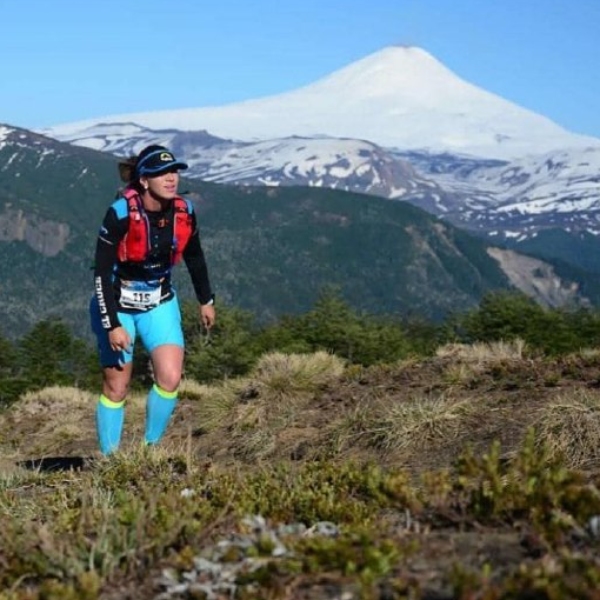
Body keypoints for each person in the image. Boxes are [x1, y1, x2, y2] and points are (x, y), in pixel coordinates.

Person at [89, 144, 215, 455]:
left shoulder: (185, 212)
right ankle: (111, 459)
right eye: (161, 173)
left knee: (170, 378)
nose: (171, 178)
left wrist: (206, 299)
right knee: (117, 386)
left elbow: (195, 257)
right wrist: (112, 323)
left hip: (159, 299)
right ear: (144, 180)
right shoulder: (120, 213)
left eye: (174, 171)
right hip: (118, 304)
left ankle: (149, 450)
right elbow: (102, 272)